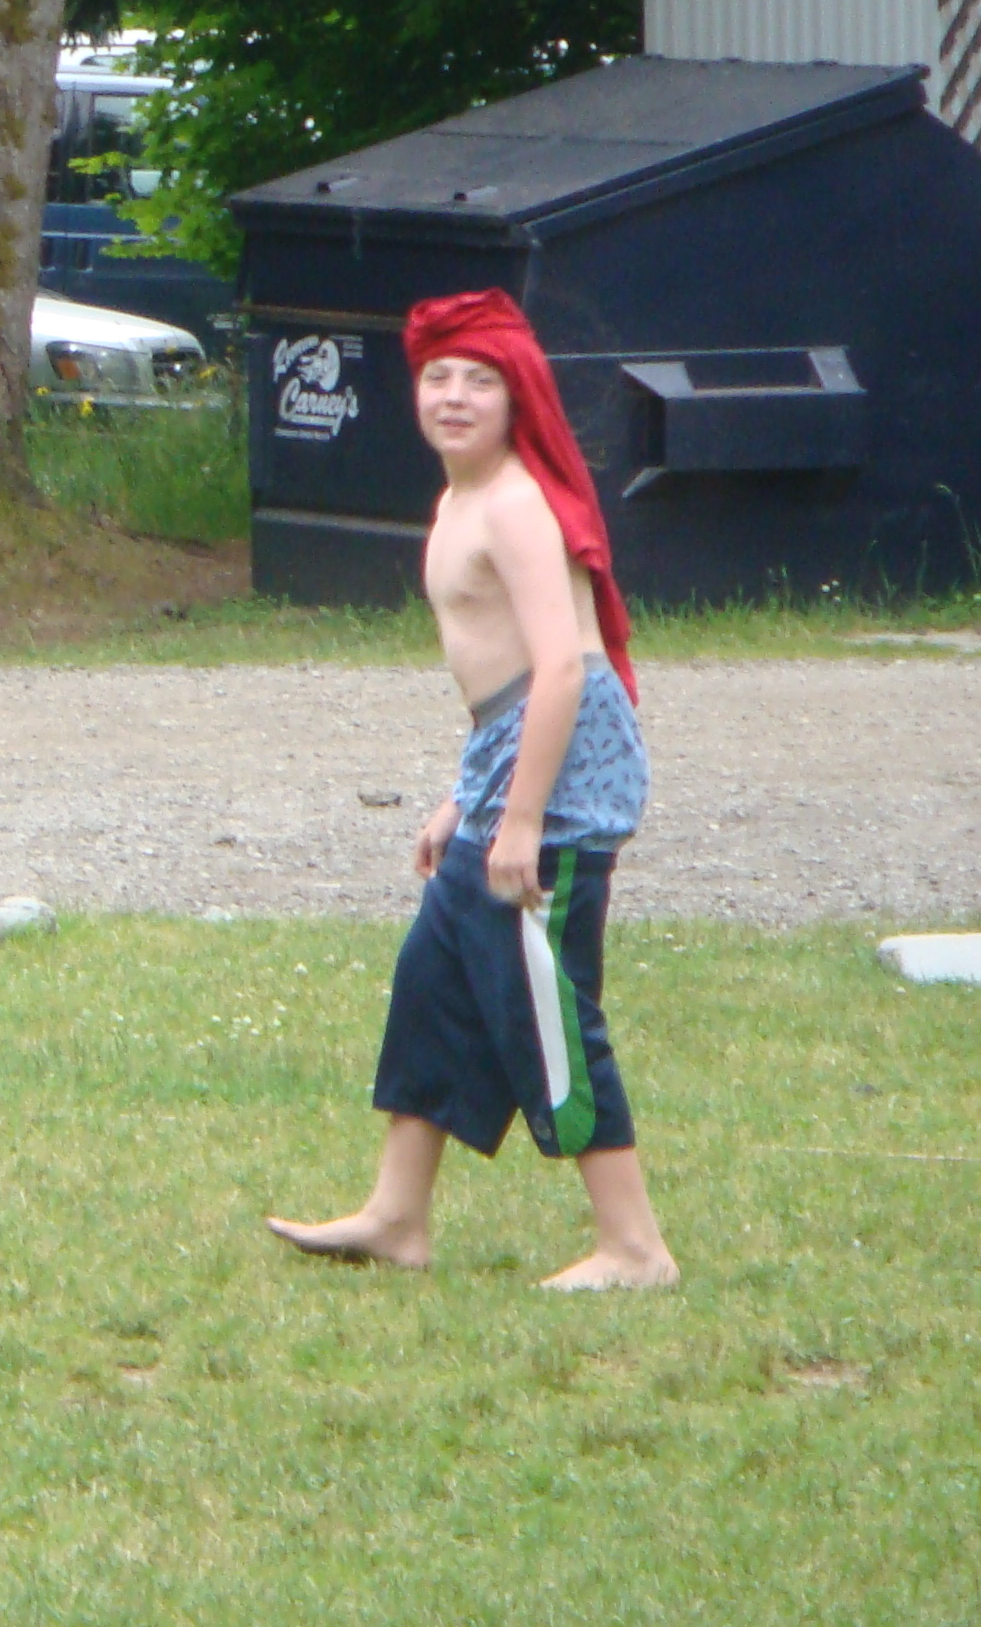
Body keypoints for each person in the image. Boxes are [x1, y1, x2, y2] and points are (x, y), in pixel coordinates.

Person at [267, 289, 679, 1292]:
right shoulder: (459, 496)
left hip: (563, 779)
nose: (454, 397)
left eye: (478, 382)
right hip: (509, 756)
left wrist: (524, 820)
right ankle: (397, 1217)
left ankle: (635, 1248)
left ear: (514, 397)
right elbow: (498, 687)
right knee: (435, 983)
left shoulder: (518, 505)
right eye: (438, 377)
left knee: (543, 1004)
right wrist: (466, 799)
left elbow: (563, 671)